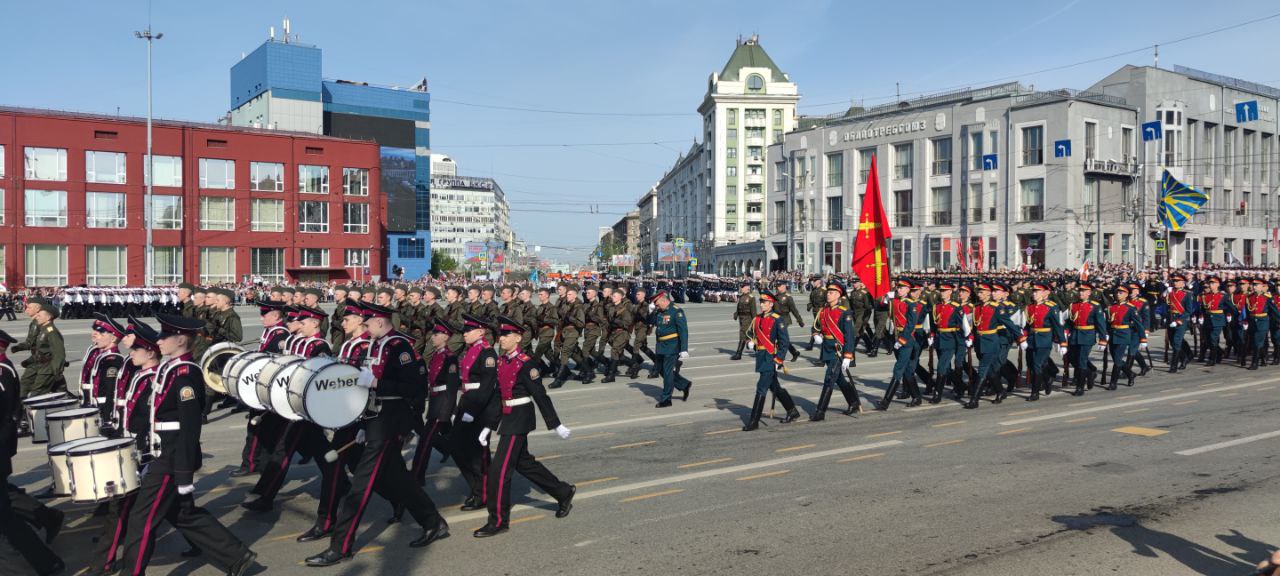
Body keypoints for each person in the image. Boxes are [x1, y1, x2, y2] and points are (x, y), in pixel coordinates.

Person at [305, 302, 449, 567]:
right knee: (399, 480)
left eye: (369, 323)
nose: (366, 326)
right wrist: (362, 424)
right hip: (372, 419)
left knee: (360, 486)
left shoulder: (399, 347)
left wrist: (377, 384)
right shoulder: (375, 344)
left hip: (389, 422)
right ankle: (433, 522)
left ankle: (340, 546)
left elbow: (415, 387)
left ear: (380, 323)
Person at [119, 314, 257, 576]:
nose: (159, 340)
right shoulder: (169, 368)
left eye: (164, 336)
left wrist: (183, 472)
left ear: (180, 339)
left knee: (142, 519)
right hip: (160, 451)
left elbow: (190, 428)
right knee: (182, 514)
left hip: (170, 457)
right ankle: (237, 557)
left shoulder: (186, 374)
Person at [242, 306, 349, 545]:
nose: (295, 322)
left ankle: (265, 495)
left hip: (304, 406)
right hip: (293, 403)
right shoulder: (298, 342)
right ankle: (340, 481)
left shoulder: (319, 347)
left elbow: (315, 375)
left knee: (284, 449)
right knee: (319, 448)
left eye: (302, 320)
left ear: (314, 324)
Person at [473, 316, 576, 537]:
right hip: (507, 416)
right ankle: (563, 492)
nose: (501, 339)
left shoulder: (526, 363)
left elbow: (540, 395)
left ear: (518, 338)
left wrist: (555, 424)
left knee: (499, 471)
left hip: (519, 418)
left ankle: (498, 521)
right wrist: (488, 426)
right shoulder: (502, 361)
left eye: (506, 335)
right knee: (524, 464)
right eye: (500, 335)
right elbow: (498, 396)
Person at [0, 328, 64, 576]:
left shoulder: (3, 373)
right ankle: (46, 556)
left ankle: (41, 563)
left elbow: (5, 418)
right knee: (8, 514)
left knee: (7, 523)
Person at [449, 314, 500, 511]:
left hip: (479, 407)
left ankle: (483, 494)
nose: (464, 334)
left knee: (478, 453)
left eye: (468, 331)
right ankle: (475, 487)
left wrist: (472, 410)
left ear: (480, 332)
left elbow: (487, 386)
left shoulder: (487, 353)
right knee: (456, 446)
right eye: (464, 331)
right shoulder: (471, 350)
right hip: (467, 401)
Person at [409, 320, 460, 487]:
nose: (433, 337)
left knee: (425, 440)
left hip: (443, 401)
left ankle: (417, 474)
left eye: (436, 334)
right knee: (449, 439)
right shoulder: (437, 354)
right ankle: (454, 451)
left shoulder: (450, 357)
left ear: (445, 337)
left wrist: (447, 411)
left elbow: (452, 387)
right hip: (435, 399)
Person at [742, 292, 800, 431]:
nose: (762, 305)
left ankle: (754, 421)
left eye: (765, 302)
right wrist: (750, 341)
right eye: (761, 302)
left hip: (770, 357)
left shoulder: (777, 319)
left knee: (761, 387)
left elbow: (784, 342)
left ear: (771, 304)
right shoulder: (757, 319)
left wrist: (779, 359)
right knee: (775, 387)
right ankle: (792, 411)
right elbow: (750, 333)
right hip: (761, 356)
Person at [810, 281, 861, 420]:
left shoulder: (845, 312)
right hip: (827, 349)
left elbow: (849, 336)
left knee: (829, 379)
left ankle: (820, 412)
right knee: (839, 379)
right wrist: (815, 335)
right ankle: (854, 402)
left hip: (839, 351)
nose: (828, 294)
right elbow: (815, 327)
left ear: (838, 295)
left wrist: (847, 356)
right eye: (828, 292)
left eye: (832, 292)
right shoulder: (823, 311)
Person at [1023, 282, 1066, 401]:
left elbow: (1058, 326)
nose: (1034, 294)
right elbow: (1027, 325)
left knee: (1037, 364)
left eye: (1036, 292)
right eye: (1033, 291)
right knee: (1031, 364)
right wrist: (1023, 338)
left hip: (1045, 339)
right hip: (1031, 339)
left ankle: (1034, 393)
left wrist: (1062, 342)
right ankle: (1048, 378)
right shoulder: (1030, 307)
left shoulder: (1051, 307)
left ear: (1043, 293)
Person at [650, 290, 691, 408]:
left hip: (672, 346)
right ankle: (683, 384)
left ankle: (666, 399)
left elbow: (683, 331)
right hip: (661, 345)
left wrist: (684, 349)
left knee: (667, 373)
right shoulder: (659, 311)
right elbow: (650, 322)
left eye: (657, 303)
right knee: (661, 370)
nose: (656, 305)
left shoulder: (676, 311)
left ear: (663, 299)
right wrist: (651, 311)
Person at [1066, 282, 1108, 395]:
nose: (1080, 293)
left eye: (1083, 291)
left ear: (1089, 293)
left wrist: (1103, 339)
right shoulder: (1073, 305)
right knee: (1071, 357)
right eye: (1080, 290)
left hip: (1087, 335)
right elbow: (1069, 321)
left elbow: (1100, 323)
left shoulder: (1095, 305)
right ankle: (1090, 371)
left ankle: (1080, 387)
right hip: (1075, 335)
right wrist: (1064, 333)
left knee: (1082, 361)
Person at [20, 300, 65, 399]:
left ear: (48, 317)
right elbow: (39, 350)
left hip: (48, 368)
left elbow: (59, 353)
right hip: (41, 365)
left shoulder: (51, 331)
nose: (37, 317)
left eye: (40, 315)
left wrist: (56, 370)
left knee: (37, 393)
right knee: (59, 390)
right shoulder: (43, 329)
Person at [1165, 273, 1194, 372]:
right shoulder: (1170, 292)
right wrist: (1166, 292)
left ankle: (1173, 366)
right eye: (1174, 281)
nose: (1175, 283)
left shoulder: (1187, 294)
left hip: (1181, 320)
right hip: (1171, 318)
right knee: (1173, 342)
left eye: (1177, 281)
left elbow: (1189, 311)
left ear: (1183, 283)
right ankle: (1185, 357)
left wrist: (1179, 320)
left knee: (1177, 342)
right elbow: (1167, 304)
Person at [772, 281, 804, 362]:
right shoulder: (775, 297)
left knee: (781, 339)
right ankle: (794, 352)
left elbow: (794, 310)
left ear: (784, 286)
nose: (777, 288)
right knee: (783, 339)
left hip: (784, 319)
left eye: (779, 286)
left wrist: (799, 320)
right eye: (776, 286)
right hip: (776, 319)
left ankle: (779, 358)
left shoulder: (788, 297)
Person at [731, 283, 757, 360]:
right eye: (741, 287)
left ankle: (738, 354)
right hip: (741, 319)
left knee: (742, 334)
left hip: (748, 319)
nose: (741, 289)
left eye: (742, 287)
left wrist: (755, 322)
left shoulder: (751, 297)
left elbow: (754, 311)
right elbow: (739, 307)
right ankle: (759, 351)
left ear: (747, 288)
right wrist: (736, 314)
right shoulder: (741, 296)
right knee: (749, 336)